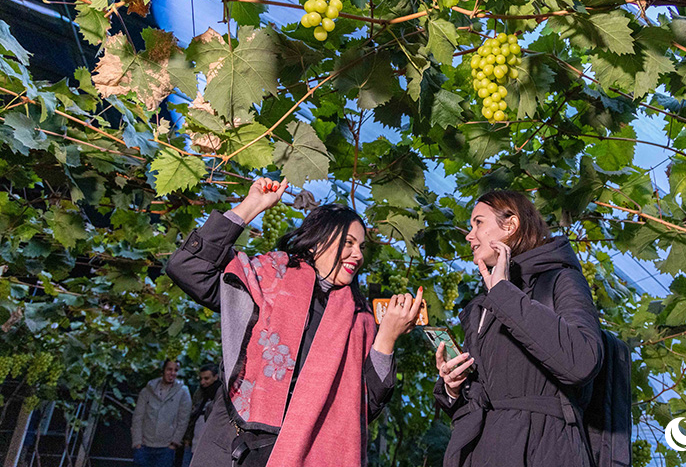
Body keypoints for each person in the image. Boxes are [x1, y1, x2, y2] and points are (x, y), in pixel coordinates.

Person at [166, 177, 422, 467]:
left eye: (362, 247)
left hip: (307, 452)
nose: (358, 255)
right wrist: (252, 206)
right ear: (316, 242)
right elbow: (188, 267)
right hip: (236, 447)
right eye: (348, 243)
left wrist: (386, 338)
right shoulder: (268, 279)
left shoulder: (359, 317)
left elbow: (364, 407)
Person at [434, 190, 604, 467]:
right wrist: (454, 387)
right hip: (484, 452)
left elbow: (582, 360)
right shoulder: (482, 304)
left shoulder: (561, 279)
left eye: (478, 223)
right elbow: (480, 398)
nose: (469, 235)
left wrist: (504, 293)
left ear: (510, 225)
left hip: (545, 451)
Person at [131, 360, 192, 467]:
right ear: (163, 371)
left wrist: (174, 443)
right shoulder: (147, 391)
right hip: (144, 445)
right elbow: (138, 417)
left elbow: (183, 419)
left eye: (176, 370)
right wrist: (137, 442)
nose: (172, 373)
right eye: (169, 369)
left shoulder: (183, 392)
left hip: (166, 447)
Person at [181, 363, 222, 467]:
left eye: (206, 378)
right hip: (193, 442)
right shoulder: (199, 394)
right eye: (201, 378)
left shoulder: (221, 396)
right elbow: (192, 417)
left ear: (216, 377)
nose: (203, 382)